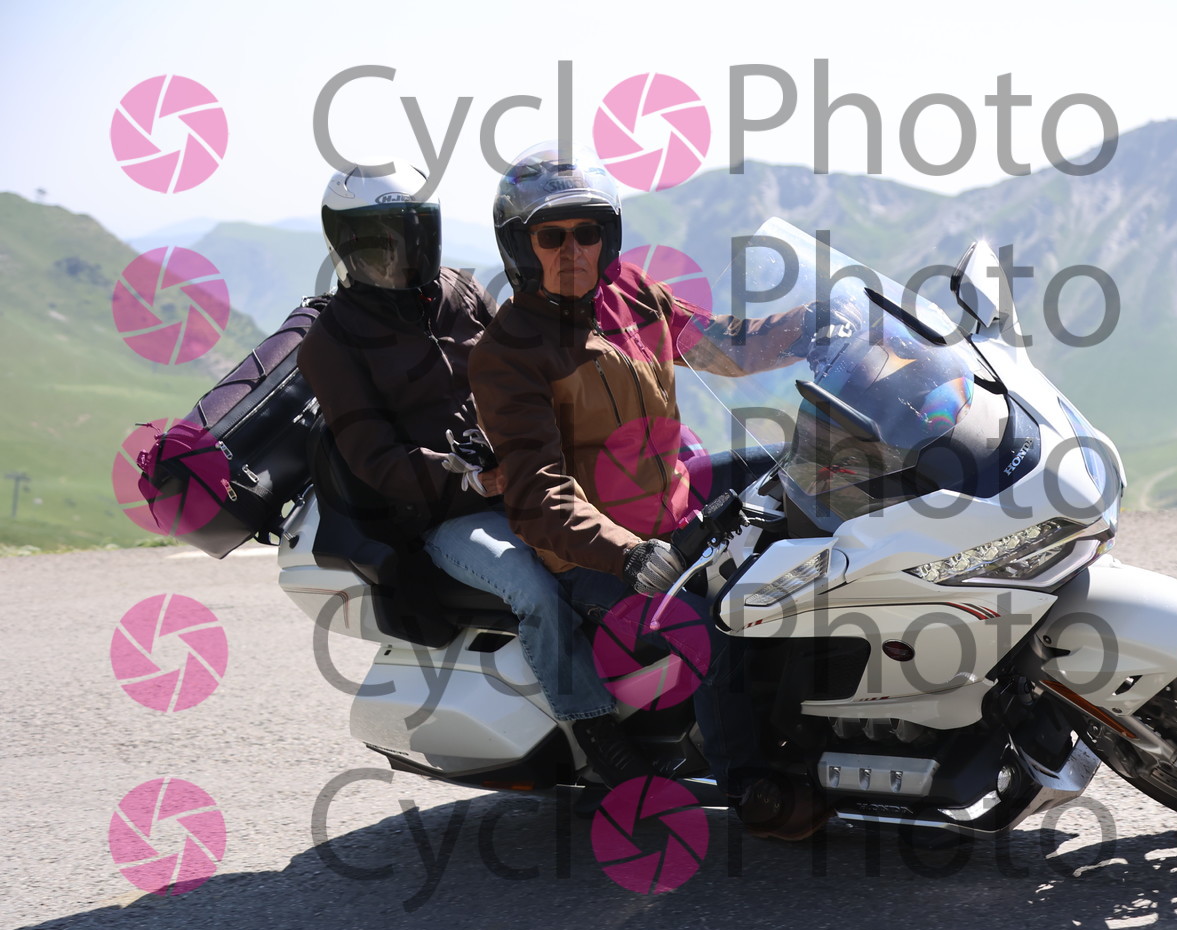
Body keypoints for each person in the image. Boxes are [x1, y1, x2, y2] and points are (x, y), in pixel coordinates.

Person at [469, 142, 831, 840]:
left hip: (674, 506)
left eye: (588, 231)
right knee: (720, 623)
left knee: (809, 467)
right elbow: (540, 496)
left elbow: (724, 347)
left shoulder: (631, 292)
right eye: (552, 236)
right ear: (519, 246)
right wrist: (628, 554)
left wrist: (814, 324)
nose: (574, 249)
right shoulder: (509, 353)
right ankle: (748, 781)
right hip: (595, 557)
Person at [297, 161, 651, 791]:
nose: (394, 255)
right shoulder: (331, 342)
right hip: (440, 514)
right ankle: (595, 729)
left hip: (523, 472)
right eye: (376, 241)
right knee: (532, 586)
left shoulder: (458, 291)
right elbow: (372, 458)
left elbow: (519, 352)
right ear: (344, 243)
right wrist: (464, 479)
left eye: (406, 235)